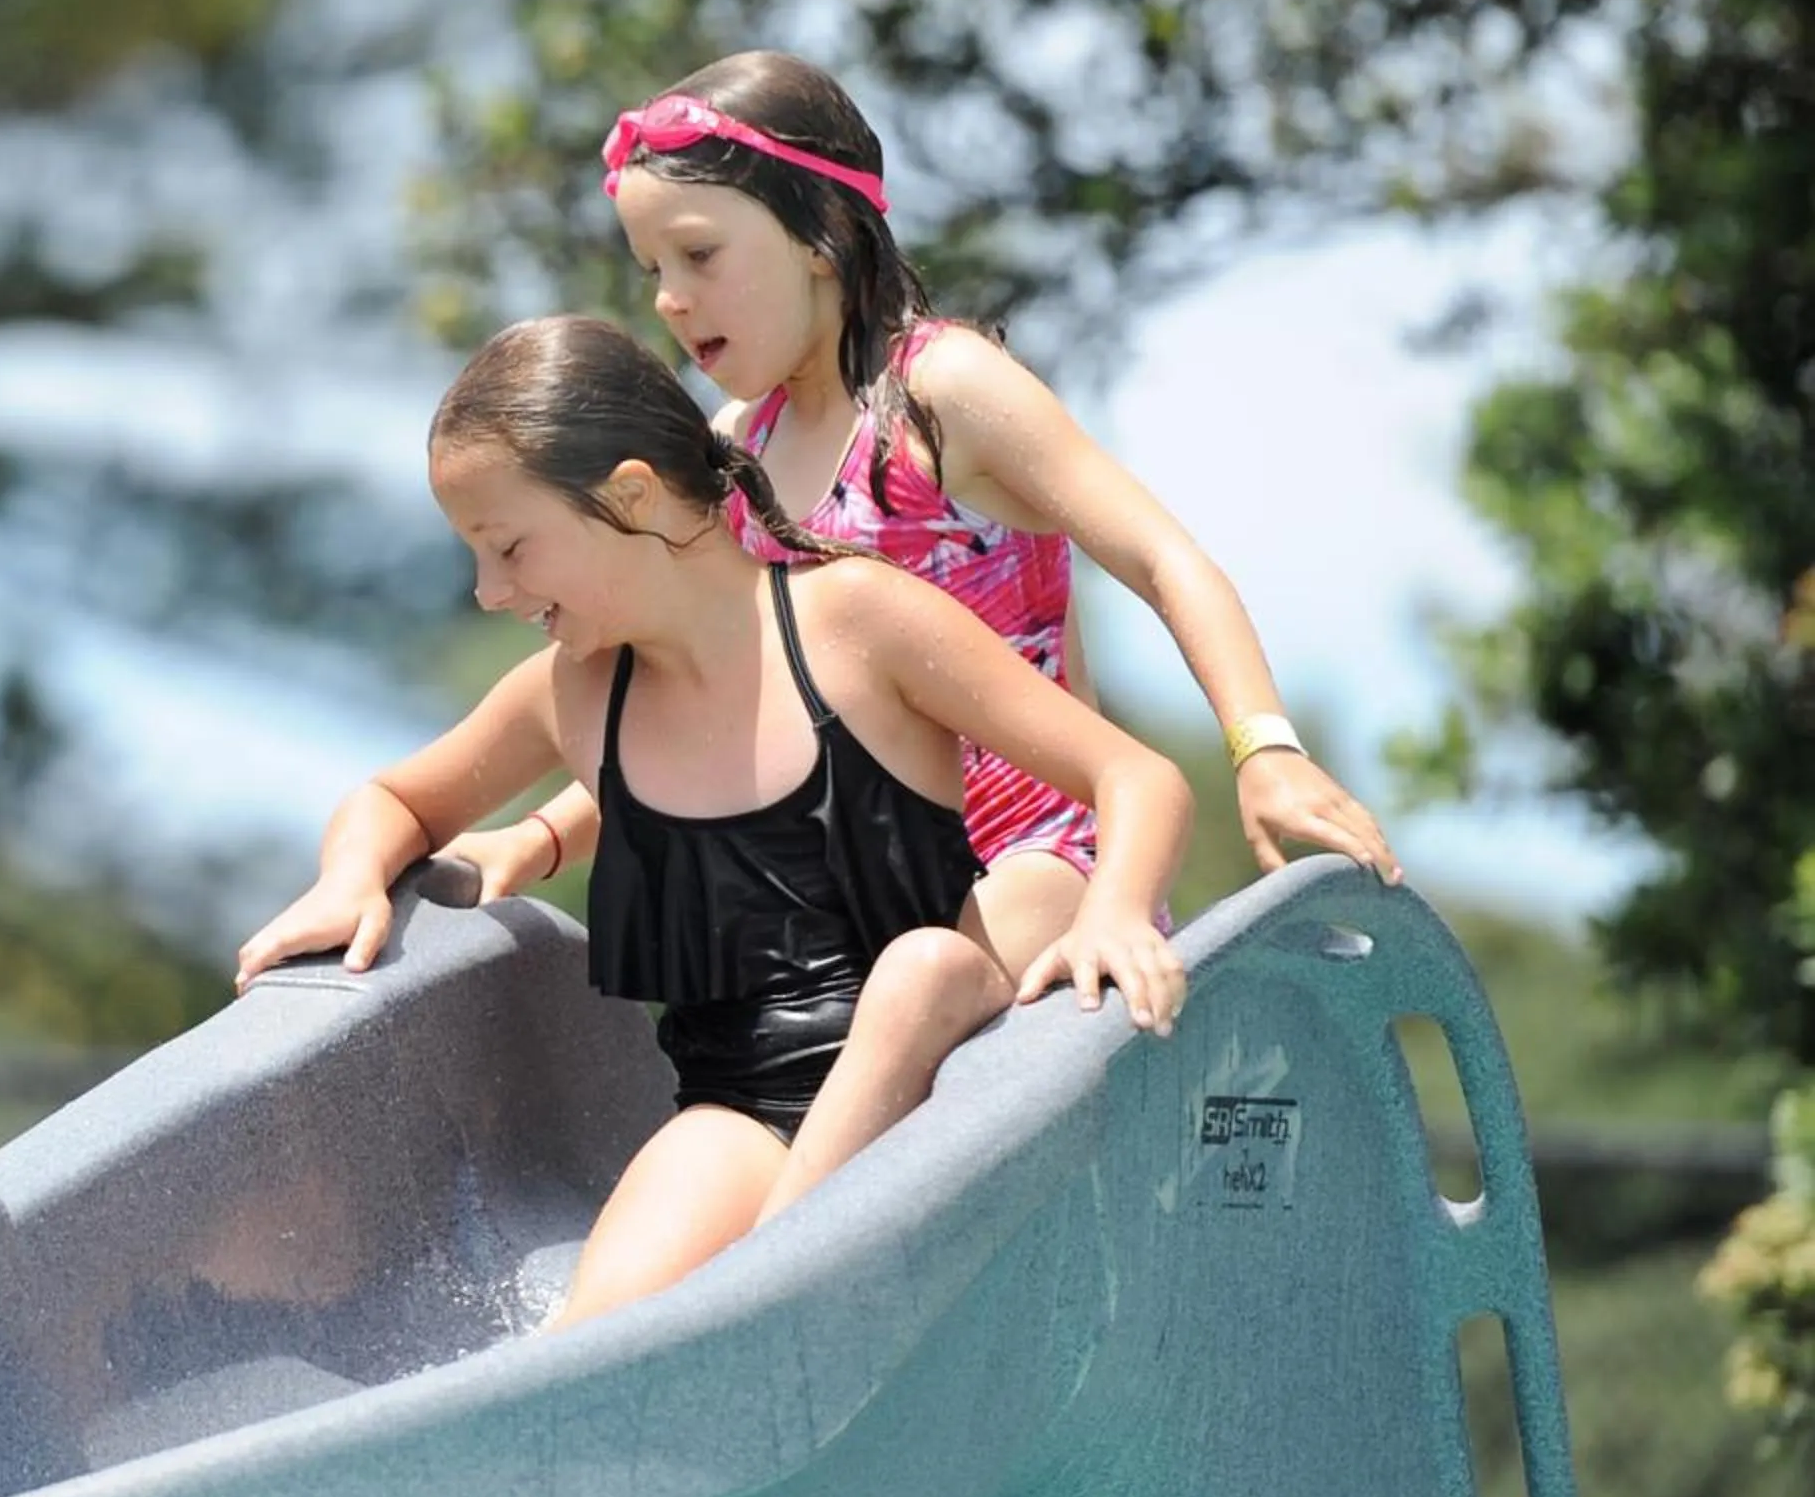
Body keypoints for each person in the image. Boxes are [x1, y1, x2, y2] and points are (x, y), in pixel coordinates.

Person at [234, 317, 1192, 1328]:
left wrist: (1118, 911)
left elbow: (1133, 774)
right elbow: (395, 799)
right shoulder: (574, 696)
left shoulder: (857, 621)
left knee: (920, 972)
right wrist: (350, 878)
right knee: (584, 1352)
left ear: (631, 495)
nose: (491, 591)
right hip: (744, 1112)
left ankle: (772, 1288)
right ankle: (772, 1282)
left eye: (510, 546)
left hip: (942, 1072)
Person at [443, 51, 1396, 983]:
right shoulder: (738, 450)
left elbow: (1162, 558)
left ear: (819, 233)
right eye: (652, 265)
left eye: (699, 253)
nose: (669, 298)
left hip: (1045, 863)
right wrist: (534, 840)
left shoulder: (942, 392)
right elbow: (714, 711)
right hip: (880, 893)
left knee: (902, 1013)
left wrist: (1264, 749)